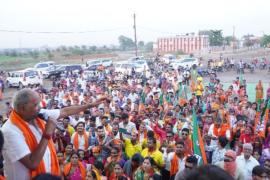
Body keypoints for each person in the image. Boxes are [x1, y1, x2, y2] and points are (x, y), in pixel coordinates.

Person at [1, 89, 108, 180]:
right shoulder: (10, 131)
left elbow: (64, 112)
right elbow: (32, 163)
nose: (40, 107)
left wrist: (90, 105)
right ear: (22, 108)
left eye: (39, 103)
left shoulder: (36, 114)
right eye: (35, 105)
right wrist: (47, 134)